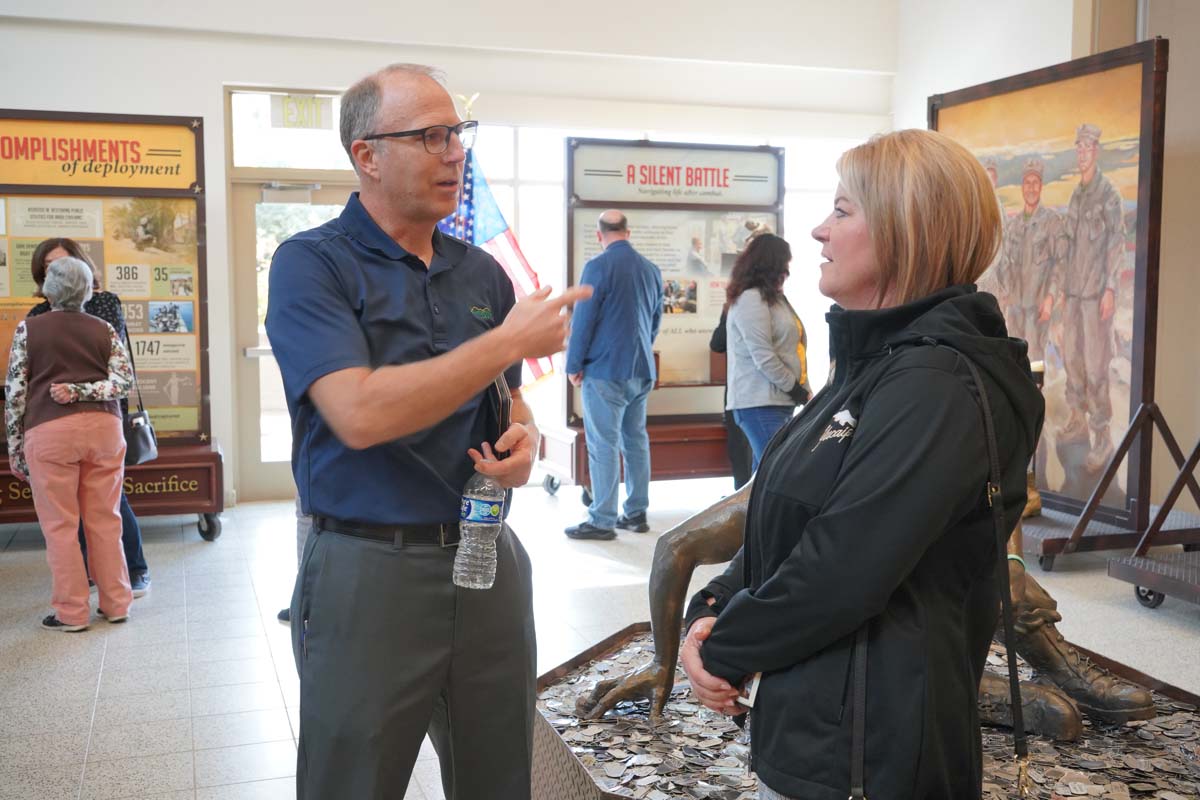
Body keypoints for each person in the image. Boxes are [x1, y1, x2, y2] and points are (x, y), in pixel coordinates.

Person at [679, 129, 1045, 799]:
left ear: (907, 231)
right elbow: (785, 522)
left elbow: (840, 569)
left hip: (871, 757)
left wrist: (722, 648)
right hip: (817, 731)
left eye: (843, 211)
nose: (819, 230)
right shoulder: (871, 367)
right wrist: (711, 608)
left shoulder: (936, 384)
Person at [265, 62, 589, 800]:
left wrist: (523, 437)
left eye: (458, 133)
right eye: (431, 136)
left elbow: (506, 400)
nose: (455, 153)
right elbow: (359, 412)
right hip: (370, 569)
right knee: (355, 780)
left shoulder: (480, 273)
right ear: (366, 154)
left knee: (498, 775)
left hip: (486, 559)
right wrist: (503, 344)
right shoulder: (312, 265)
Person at [6, 256, 135, 631]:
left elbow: (16, 394)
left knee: (61, 525)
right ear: (88, 289)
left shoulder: (29, 330)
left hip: (49, 432)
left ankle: (72, 612)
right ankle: (116, 603)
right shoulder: (105, 329)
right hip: (105, 430)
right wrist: (87, 390)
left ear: (49, 289)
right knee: (106, 520)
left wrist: (14, 449)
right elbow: (124, 383)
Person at [27, 238, 151, 598]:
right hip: (53, 422)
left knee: (111, 505)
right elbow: (28, 379)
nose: (58, 270)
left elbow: (114, 371)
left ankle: (134, 570)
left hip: (104, 415)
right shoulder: (35, 318)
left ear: (81, 265)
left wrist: (74, 388)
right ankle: (92, 578)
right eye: (49, 265)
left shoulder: (105, 305)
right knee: (70, 509)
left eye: (63, 262)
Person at [564, 210, 663, 541]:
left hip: (605, 370)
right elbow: (654, 321)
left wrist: (573, 365)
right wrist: (640, 352)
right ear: (628, 232)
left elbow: (583, 320)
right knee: (635, 439)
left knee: (603, 443)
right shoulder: (651, 270)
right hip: (640, 369)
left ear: (599, 235)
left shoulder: (597, 267)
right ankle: (636, 513)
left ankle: (602, 519)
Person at [1061, 123, 1125, 471]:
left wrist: (1111, 289)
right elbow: (1069, 247)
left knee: (1096, 367)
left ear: (1096, 150)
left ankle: (1102, 438)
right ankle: (1078, 420)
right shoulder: (1076, 195)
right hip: (1073, 294)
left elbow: (1117, 244)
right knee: (1072, 358)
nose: (1083, 152)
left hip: (1096, 296)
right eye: (1079, 146)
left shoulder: (1108, 195)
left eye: (1088, 146)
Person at [724, 233, 811, 470]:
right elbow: (763, 356)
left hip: (779, 400)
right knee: (777, 470)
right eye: (784, 264)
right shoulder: (751, 299)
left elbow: (794, 349)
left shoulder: (776, 299)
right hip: (758, 403)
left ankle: (753, 509)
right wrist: (796, 389)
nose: (787, 271)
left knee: (762, 475)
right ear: (770, 265)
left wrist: (804, 390)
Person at [999, 158, 1065, 363]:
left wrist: (1050, 299)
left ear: (1041, 186)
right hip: (1015, 310)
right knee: (1013, 364)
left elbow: (1061, 264)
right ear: (1022, 187)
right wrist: (1002, 300)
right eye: (1027, 183)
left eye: (1035, 183)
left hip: (1037, 310)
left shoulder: (1052, 222)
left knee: (1035, 364)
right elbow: (1006, 266)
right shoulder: (1013, 226)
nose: (1031, 188)